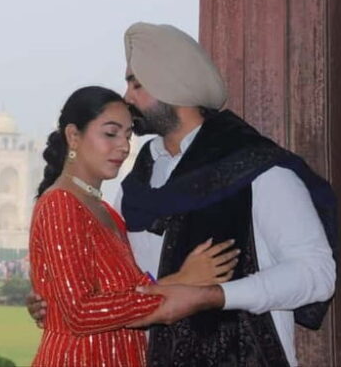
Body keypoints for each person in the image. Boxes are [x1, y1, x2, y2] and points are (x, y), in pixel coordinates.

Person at [28, 23, 336, 367]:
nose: (127, 98)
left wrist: (213, 296)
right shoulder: (139, 181)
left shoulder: (255, 168)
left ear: (172, 85)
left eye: (137, 84)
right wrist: (56, 300)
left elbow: (316, 274)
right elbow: (120, 289)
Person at [29, 86, 239, 367]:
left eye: (128, 135)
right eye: (110, 133)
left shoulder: (106, 212)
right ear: (73, 136)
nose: (124, 146)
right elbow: (80, 314)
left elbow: (131, 293)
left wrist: (182, 279)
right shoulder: (61, 204)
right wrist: (179, 290)